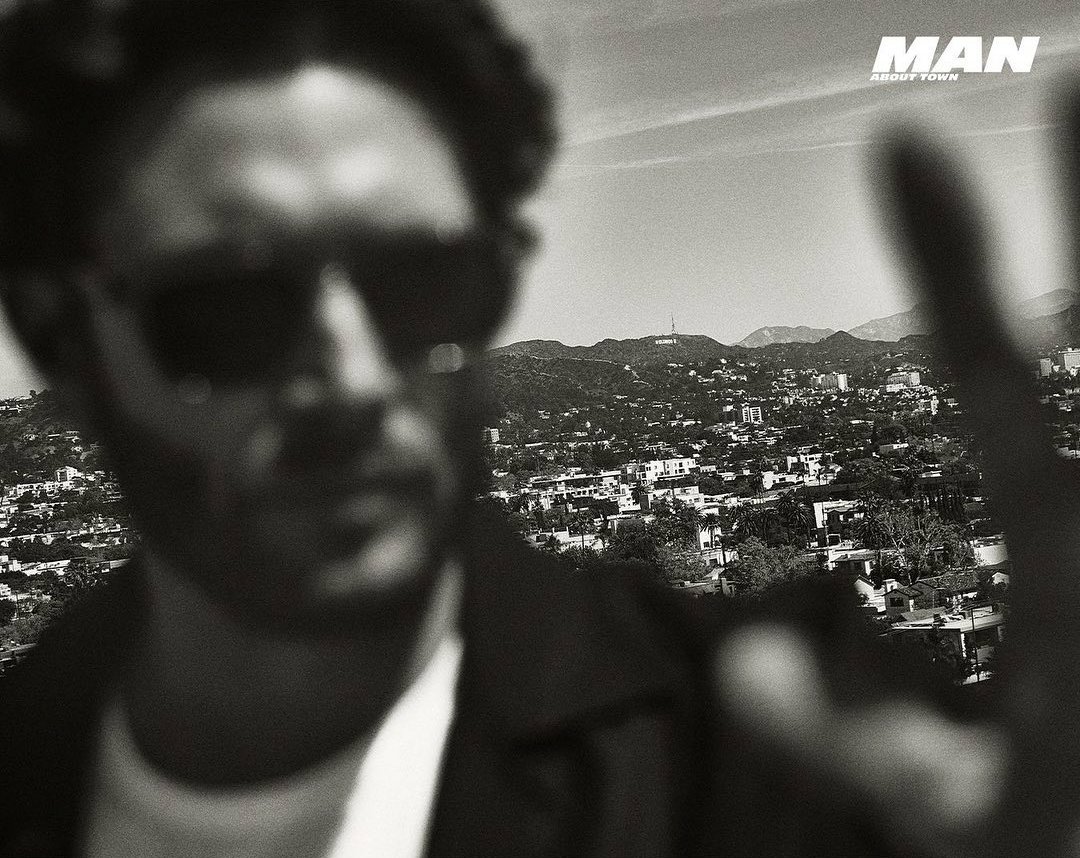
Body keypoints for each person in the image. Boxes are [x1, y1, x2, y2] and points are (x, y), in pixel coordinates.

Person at [0, 1, 1066, 857]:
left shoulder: (756, 753)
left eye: (425, 282)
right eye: (231, 308)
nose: (355, 378)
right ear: (60, 340)